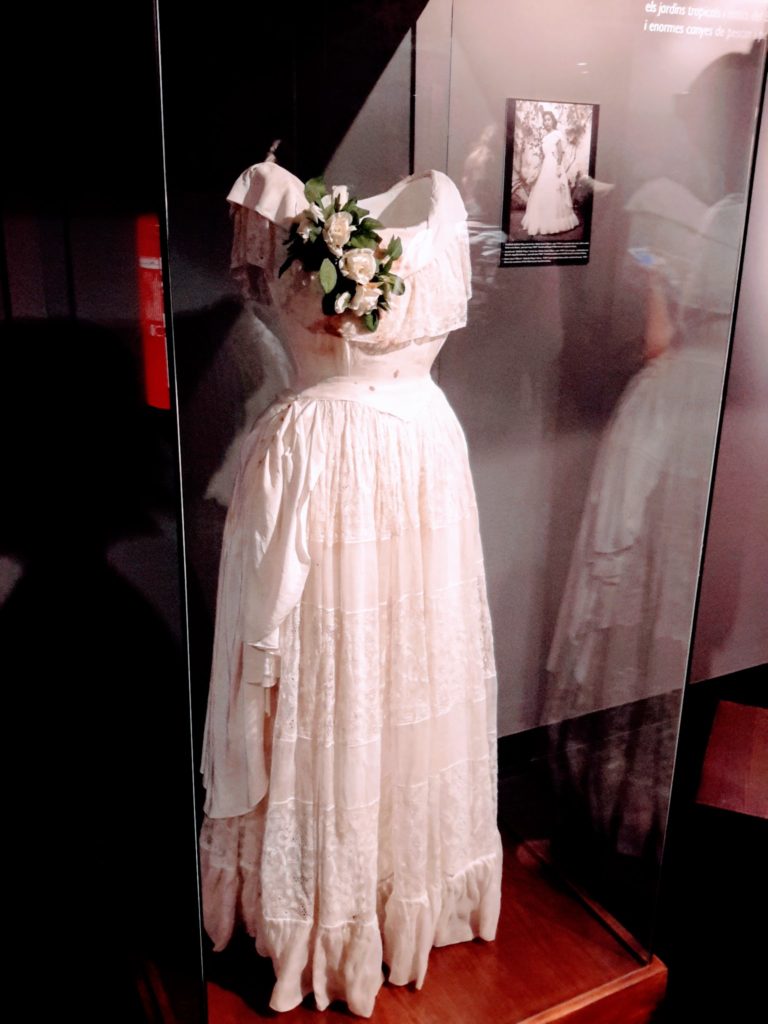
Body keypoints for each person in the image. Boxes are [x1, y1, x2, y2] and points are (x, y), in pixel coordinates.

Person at [522, 111, 579, 236]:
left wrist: (558, 167)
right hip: (546, 166)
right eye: (545, 120)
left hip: (554, 166)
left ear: (553, 121)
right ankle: (543, 220)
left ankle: (557, 221)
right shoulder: (544, 137)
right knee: (543, 191)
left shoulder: (557, 134)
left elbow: (560, 153)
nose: (547, 122)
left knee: (555, 191)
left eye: (549, 119)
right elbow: (543, 155)